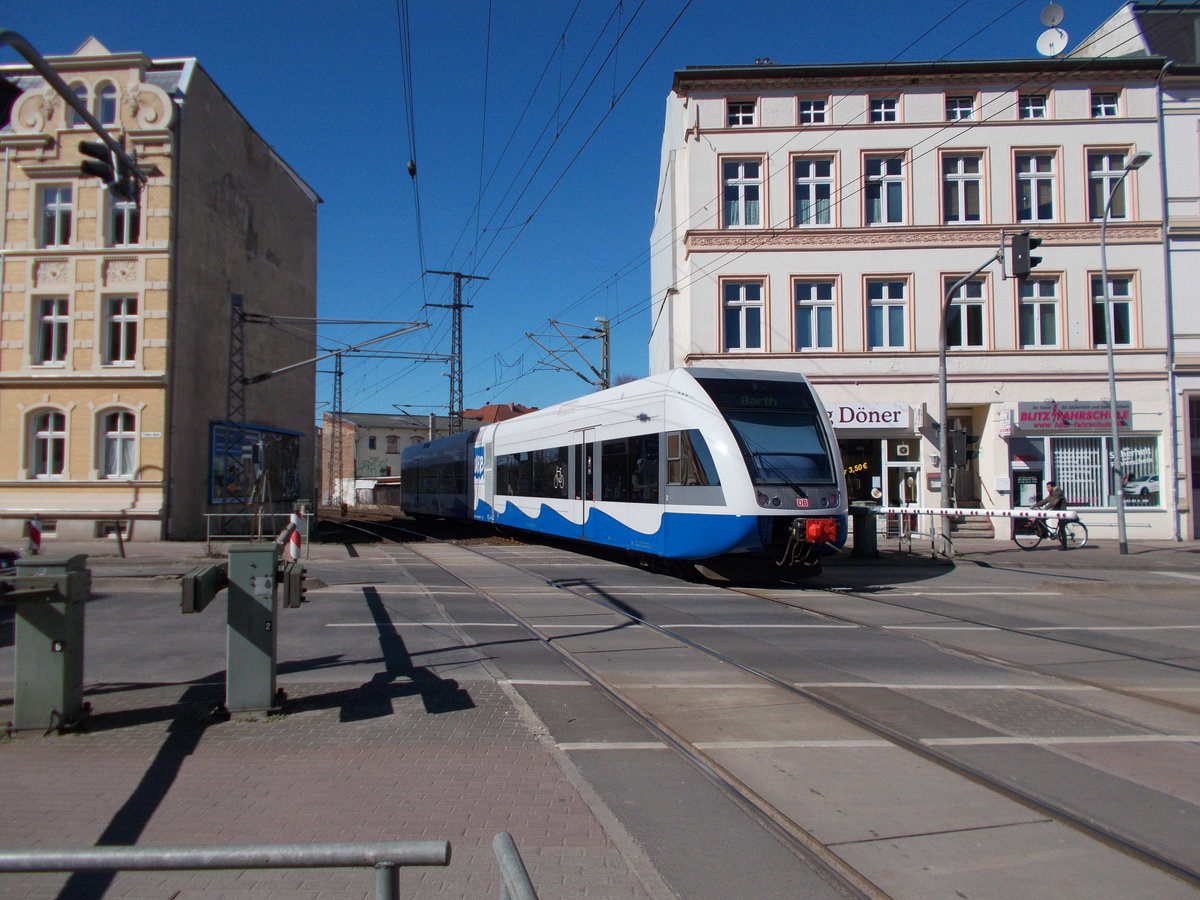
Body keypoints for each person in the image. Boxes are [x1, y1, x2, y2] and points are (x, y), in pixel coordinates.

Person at [1031, 480, 1068, 549]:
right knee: (1041, 518)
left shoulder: (1058, 492)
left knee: (1061, 527)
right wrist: (1034, 505)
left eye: (1048, 487)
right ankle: (1043, 533)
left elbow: (1053, 503)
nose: (1047, 489)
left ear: (1053, 487)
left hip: (1061, 511)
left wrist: (1045, 509)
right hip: (1056, 510)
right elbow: (1045, 500)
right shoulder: (1052, 493)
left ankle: (1064, 546)